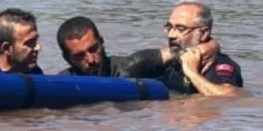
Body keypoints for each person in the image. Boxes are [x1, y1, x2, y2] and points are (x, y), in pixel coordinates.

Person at [56, 16, 218, 78]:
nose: (91, 60)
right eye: (79, 56)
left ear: (102, 42)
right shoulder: (61, 82)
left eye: (93, 49)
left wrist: (211, 45)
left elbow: (179, 51)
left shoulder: (131, 65)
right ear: (67, 59)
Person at [160, 0, 243, 97]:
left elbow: (230, 96)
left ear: (203, 33)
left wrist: (192, 72)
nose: (171, 35)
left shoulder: (219, 65)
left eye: (181, 29)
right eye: (169, 27)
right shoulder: (170, 62)